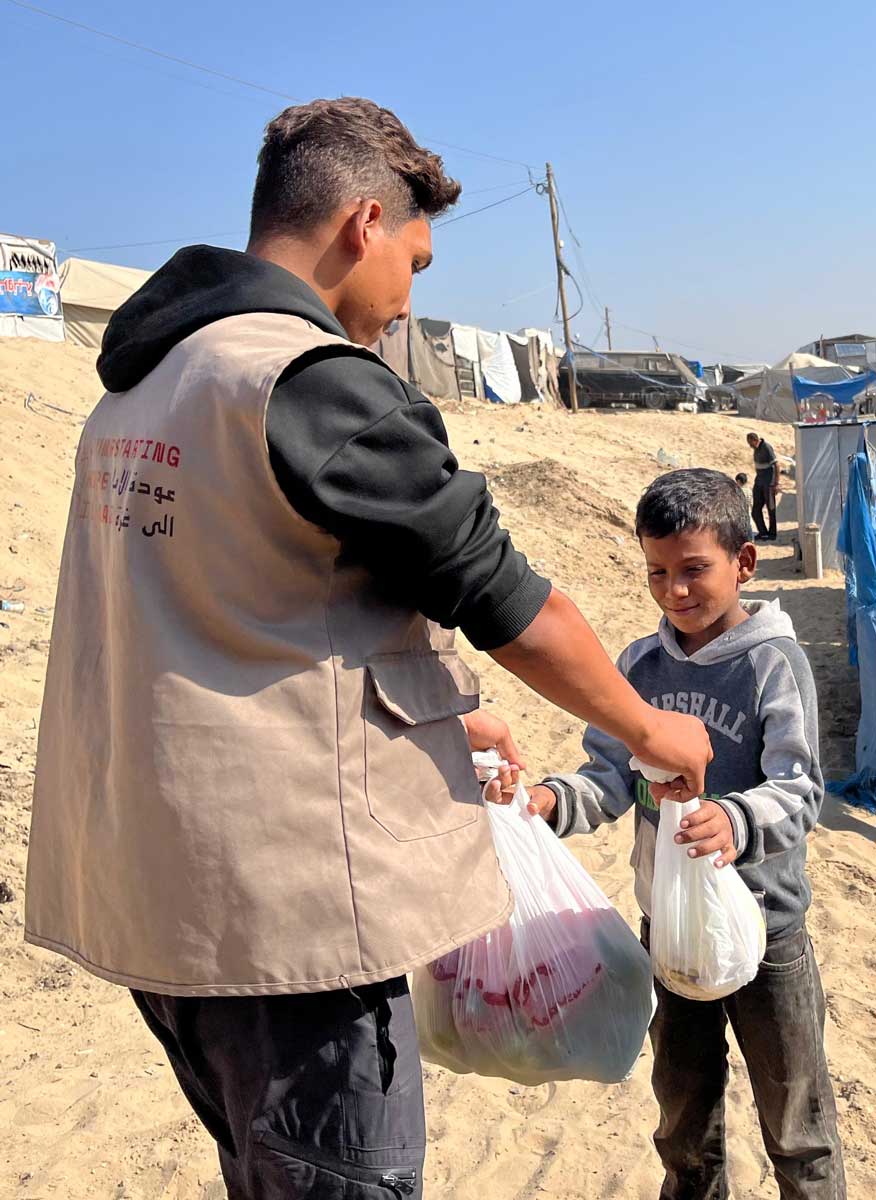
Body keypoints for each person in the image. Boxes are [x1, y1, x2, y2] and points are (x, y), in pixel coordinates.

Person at [24, 98, 712, 1200]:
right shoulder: (308, 381)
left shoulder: (146, 385)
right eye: (417, 261)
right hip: (288, 924)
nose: (405, 300)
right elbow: (518, 606)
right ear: (363, 221)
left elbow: (244, 604)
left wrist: (449, 708)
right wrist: (649, 729)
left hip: (157, 903)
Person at [524, 469, 845, 1200]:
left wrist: (734, 819)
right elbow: (607, 777)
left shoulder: (774, 664)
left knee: (798, 1129)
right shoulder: (639, 666)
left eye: (694, 569)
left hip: (770, 936)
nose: (675, 591)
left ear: (744, 561)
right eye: (657, 573)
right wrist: (548, 800)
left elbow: (801, 790)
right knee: (682, 1121)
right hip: (669, 931)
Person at [747, 430, 780, 541]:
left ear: (756, 440)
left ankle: (772, 533)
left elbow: (776, 465)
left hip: (768, 484)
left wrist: (776, 483)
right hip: (759, 482)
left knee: (771, 509)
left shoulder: (766, 447)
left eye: (751, 443)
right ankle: (763, 532)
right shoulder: (756, 449)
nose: (750, 446)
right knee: (755, 510)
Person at [735, 471, 755, 539]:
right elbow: (751, 502)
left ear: (738, 481)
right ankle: (751, 540)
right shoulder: (749, 490)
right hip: (747, 512)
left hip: (739, 513)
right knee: (748, 527)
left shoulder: (738, 491)